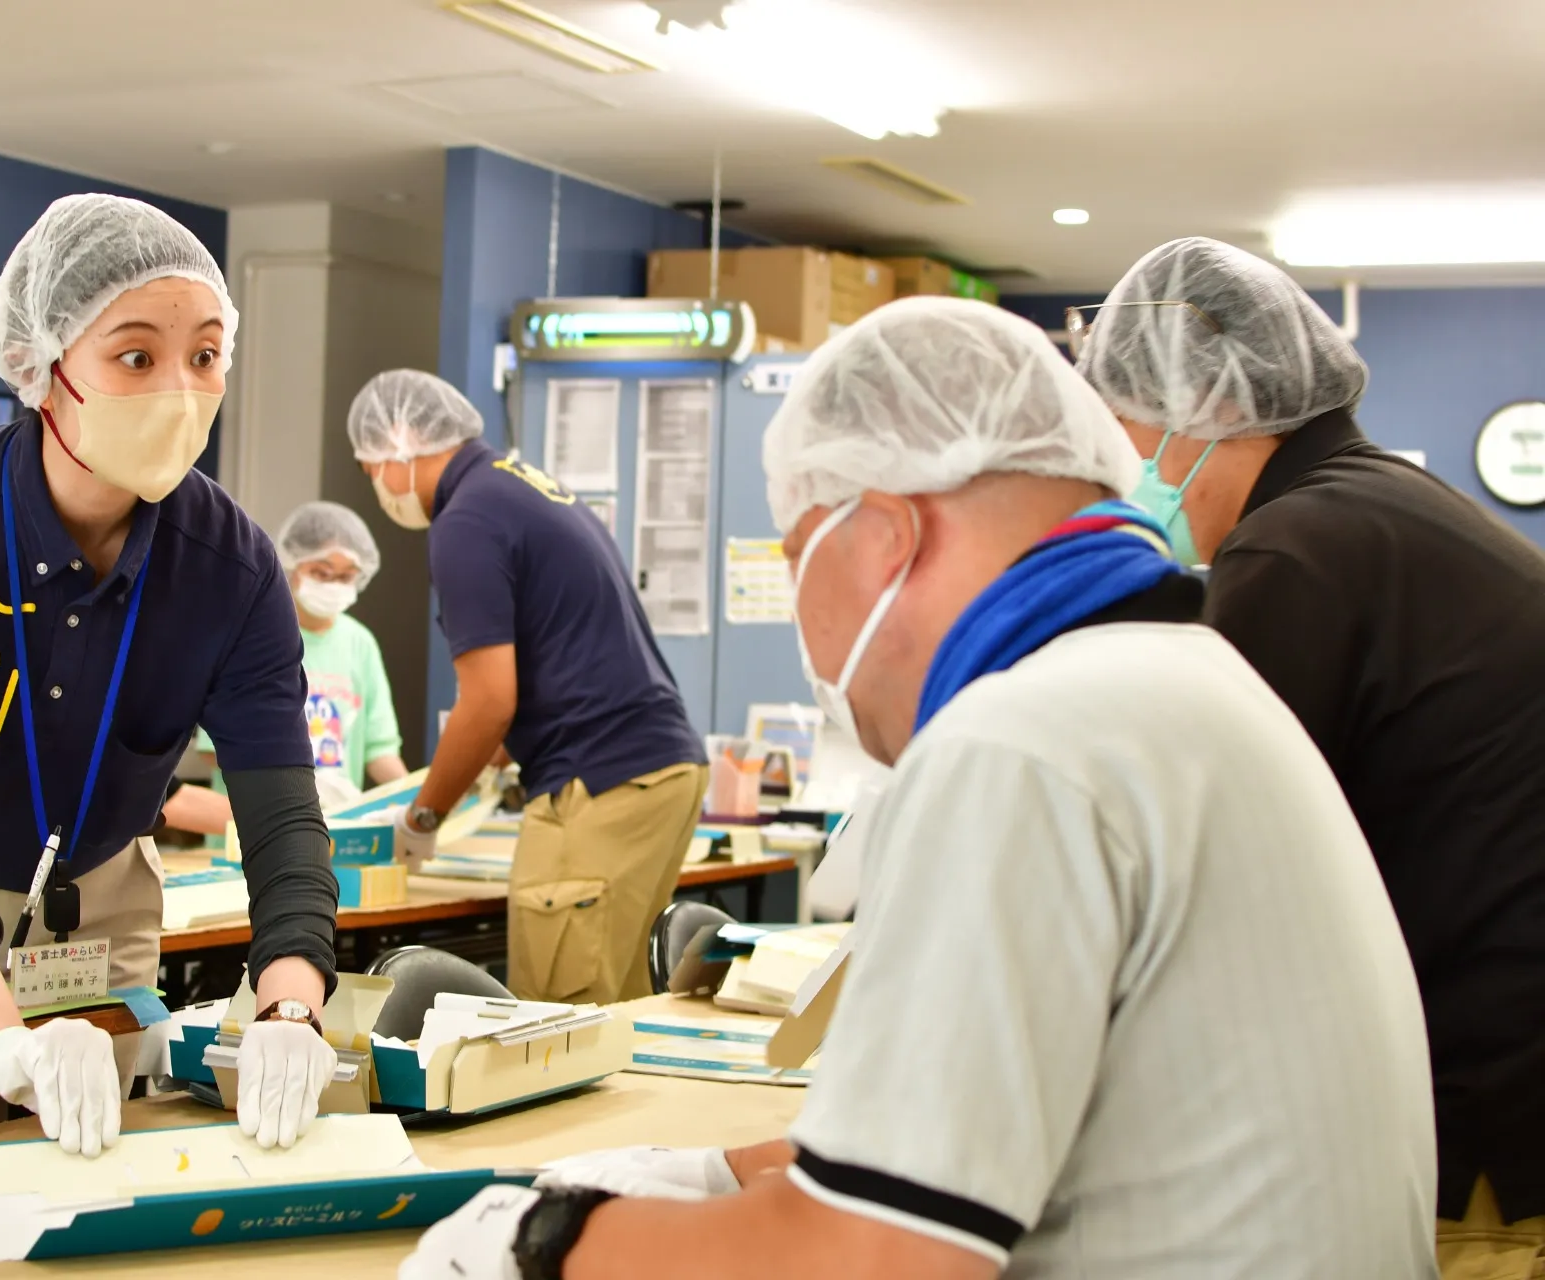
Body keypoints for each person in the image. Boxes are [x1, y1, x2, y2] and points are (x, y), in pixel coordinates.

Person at [399, 299, 1436, 1280]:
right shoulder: (1188, 683)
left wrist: (547, 1239)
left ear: (887, 535)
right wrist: (725, 1171)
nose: (809, 628)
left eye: (799, 557)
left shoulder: (1019, 745)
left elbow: (877, 1261)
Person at [0, 193, 339, 1159]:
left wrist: (292, 1008)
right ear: (43, 367)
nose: (181, 390)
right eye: (137, 357)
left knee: (85, 1175)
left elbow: (284, 822)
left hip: (92, 907)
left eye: (206, 355)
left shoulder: (233, 568)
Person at [1076, 235, 1545, 1277]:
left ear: (1208, 407)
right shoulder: (1380, 511)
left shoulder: (1296, 548)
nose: (1133, 472)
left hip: (1485, 1134)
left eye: (1130, 434)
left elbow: (1202, 852)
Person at [347, 370, 707, 1004]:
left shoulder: (465, 520)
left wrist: (423, 816)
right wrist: (478, 763)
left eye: (371, 466)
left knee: (559, 1021)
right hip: (658, 769)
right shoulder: (523, 486)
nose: (376, 482)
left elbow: (489, 701)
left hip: (599, 781)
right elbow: (554, 657)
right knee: (617, 1005)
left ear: (400, 440)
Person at [191, 500, 406, 817]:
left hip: (334, 826)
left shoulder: (360, 643)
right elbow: (214, 748)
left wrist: (414, 801)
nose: (333, 585)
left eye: (346, 576)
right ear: (291, 565)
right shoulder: (252, 632)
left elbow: (380, 749)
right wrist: (293, 786)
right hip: (253, 827)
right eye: (321, 572)